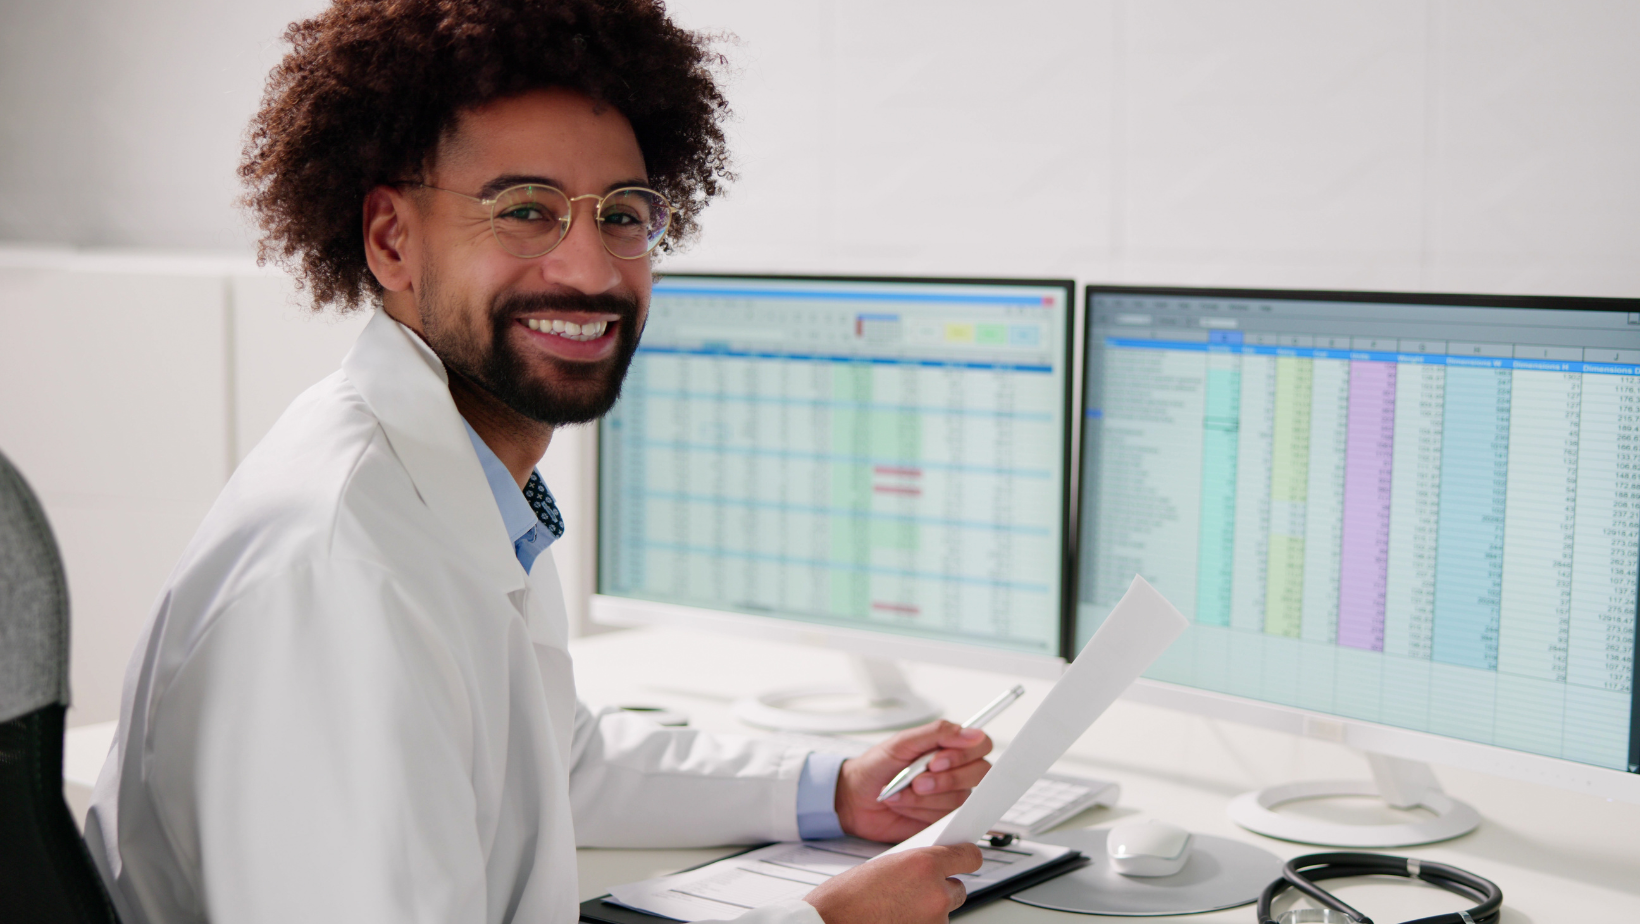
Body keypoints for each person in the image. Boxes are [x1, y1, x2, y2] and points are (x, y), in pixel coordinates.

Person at [84, 2, 993, 923]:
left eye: (625, 215)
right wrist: (830, 920)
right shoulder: (348, 570)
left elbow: (548, 761)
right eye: (525, 211)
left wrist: (832, 788)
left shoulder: (453, 476)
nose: (593, 271)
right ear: (392, 241)